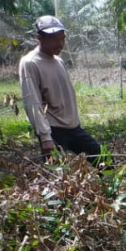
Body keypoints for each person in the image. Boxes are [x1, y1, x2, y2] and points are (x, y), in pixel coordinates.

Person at [19, 16, 103, 164]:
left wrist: (75, 121)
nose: (60, 44)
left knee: (103, 161)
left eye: (62, 39)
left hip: (73, 127)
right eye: (55, 39)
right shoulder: (30, 63)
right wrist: (45, 137)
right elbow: (32, 102)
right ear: (40, 38)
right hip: (53, 130)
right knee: (58, 176)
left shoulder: (59, 61)